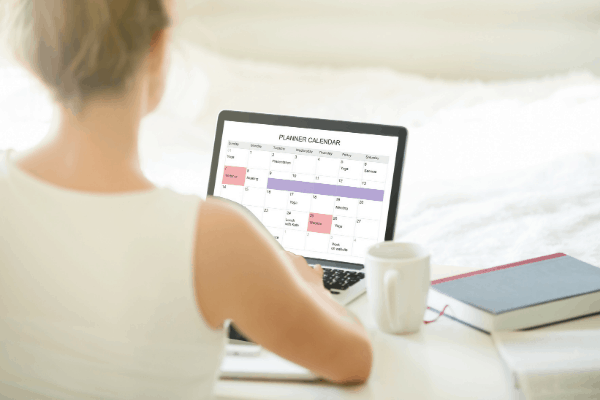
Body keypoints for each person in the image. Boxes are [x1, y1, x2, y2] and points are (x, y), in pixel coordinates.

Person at [0, 1, 373, 398]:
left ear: (27, 56)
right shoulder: (218, 235)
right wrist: (310, 288)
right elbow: (354, 361)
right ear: (159, 46)